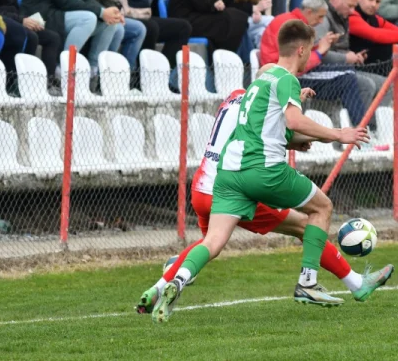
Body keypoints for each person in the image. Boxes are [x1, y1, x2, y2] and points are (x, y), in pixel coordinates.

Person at [150, 19, 373, 322]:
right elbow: (293, 123)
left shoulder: (257, 84)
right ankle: (308, 282)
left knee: (213, 243)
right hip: (263, 171)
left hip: (229, 174)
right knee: (322, 208)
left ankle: (175, 282)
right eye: (309, 52)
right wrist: (339, 134)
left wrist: (296, 135)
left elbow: (270, 129)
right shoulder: (285, 79)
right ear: (301, 49)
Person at [259, 0, 367, 126]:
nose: (321, 22)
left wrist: (323, 45)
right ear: (309, 12)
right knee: (348, 77)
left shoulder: (292, 21)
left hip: (288, 72)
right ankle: (361, 131)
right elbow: (294, 63)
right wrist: (320, 51)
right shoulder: (292, 25)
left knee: (348, 71)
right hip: (284, 76)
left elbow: (299, 55)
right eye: (320, 16)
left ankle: (359, 128)